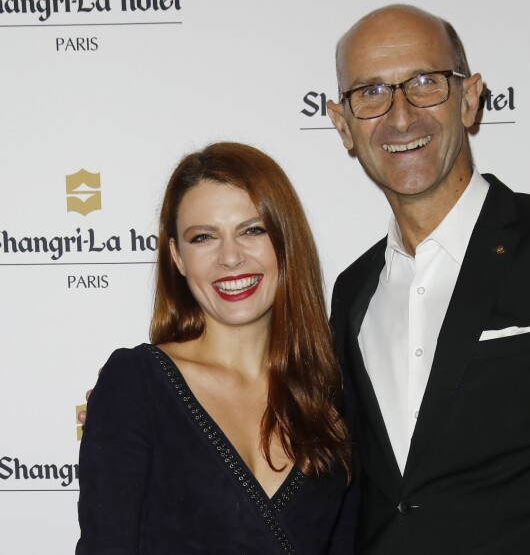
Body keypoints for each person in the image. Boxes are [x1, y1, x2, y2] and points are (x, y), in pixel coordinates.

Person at [326, 4, 530, 553]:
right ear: (342, 125)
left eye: (424, 82)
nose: (399, 116)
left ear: (469, 99)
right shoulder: (351, 294)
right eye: (370, 92)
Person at [75, 142, 356, 554]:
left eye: (252, 230)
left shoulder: (332, 395)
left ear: (286, 241)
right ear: (177, 256)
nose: (230, 257)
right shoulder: (137, 385)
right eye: (204, 237)